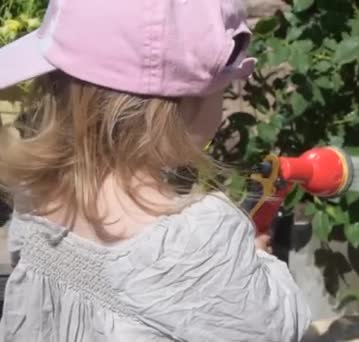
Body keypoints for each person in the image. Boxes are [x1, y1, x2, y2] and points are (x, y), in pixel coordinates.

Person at [0, 0, 311, 341]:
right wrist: (256, 259)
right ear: (186, 107)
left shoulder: (33, 196)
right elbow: (273, 329)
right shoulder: (198, 241)